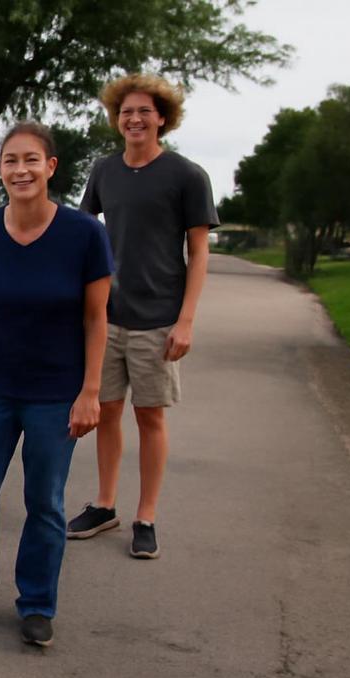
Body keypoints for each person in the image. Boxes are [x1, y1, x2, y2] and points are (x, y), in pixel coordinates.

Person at [0, 121, 113, 648]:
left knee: (46, 504)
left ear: (51, 167)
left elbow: (96, 318)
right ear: (1, 171)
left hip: (56, 394)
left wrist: (90, 391)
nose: (21, 170)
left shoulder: (84, 235)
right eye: (11, 161)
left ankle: (36, 602)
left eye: (31, 160)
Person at [66, 75, 219, 559]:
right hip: (107, 316)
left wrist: (187, 320)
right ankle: (105, 504)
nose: (134, 119)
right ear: (117, 118)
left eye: (144, 112)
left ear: (162, 118)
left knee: (149, 416)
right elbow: (84, 232)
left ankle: (146, 515)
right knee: (106, 411)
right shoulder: (104, 171)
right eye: (126, 111)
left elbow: (198, 252)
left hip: (158, 317)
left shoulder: (186, 175)